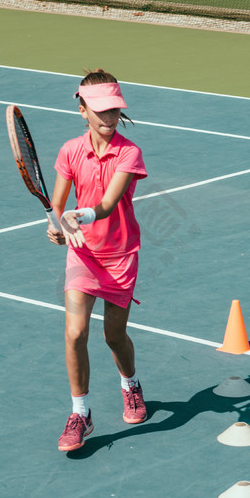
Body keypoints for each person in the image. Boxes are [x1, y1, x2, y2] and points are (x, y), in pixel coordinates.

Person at [48, 69, 149, 452]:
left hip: (120, 255)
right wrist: (56, 225)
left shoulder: (129, 152)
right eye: (100, 111)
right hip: (84, 254)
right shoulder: (71, 150)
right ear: (82, 110)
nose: (108, 119)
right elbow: (57, 206)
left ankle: (130, 385)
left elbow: (106, 204)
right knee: (75, 333)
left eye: (114, 111)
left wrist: (79, 216)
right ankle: (80, 413)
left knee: (113, 336)